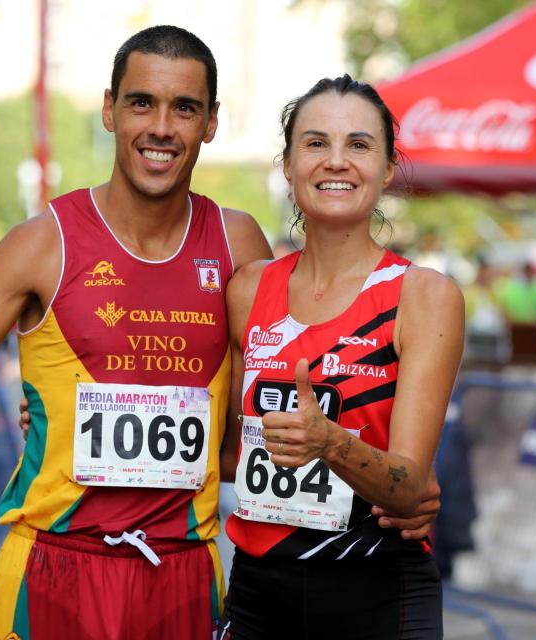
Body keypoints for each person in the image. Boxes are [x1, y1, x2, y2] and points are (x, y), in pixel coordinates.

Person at [0, 27, 437, 639]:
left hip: (182, 576)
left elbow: (257, 426)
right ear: (109, 109)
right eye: (141, 103)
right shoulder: (41, 244)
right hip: (54, 568)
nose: (161, 127)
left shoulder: (239, 246)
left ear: (211, 122)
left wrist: (394, 482)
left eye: (184, 108)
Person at [219, 75, 464, 638]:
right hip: (259, 593)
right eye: (315, 143)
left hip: (378, 594)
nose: (336, 162)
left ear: (386, 166)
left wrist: (328, 441)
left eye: (358, 145)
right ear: (287, 164)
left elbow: (407, 486)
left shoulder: (423, 296)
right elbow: (228, 454)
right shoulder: (247, 289)